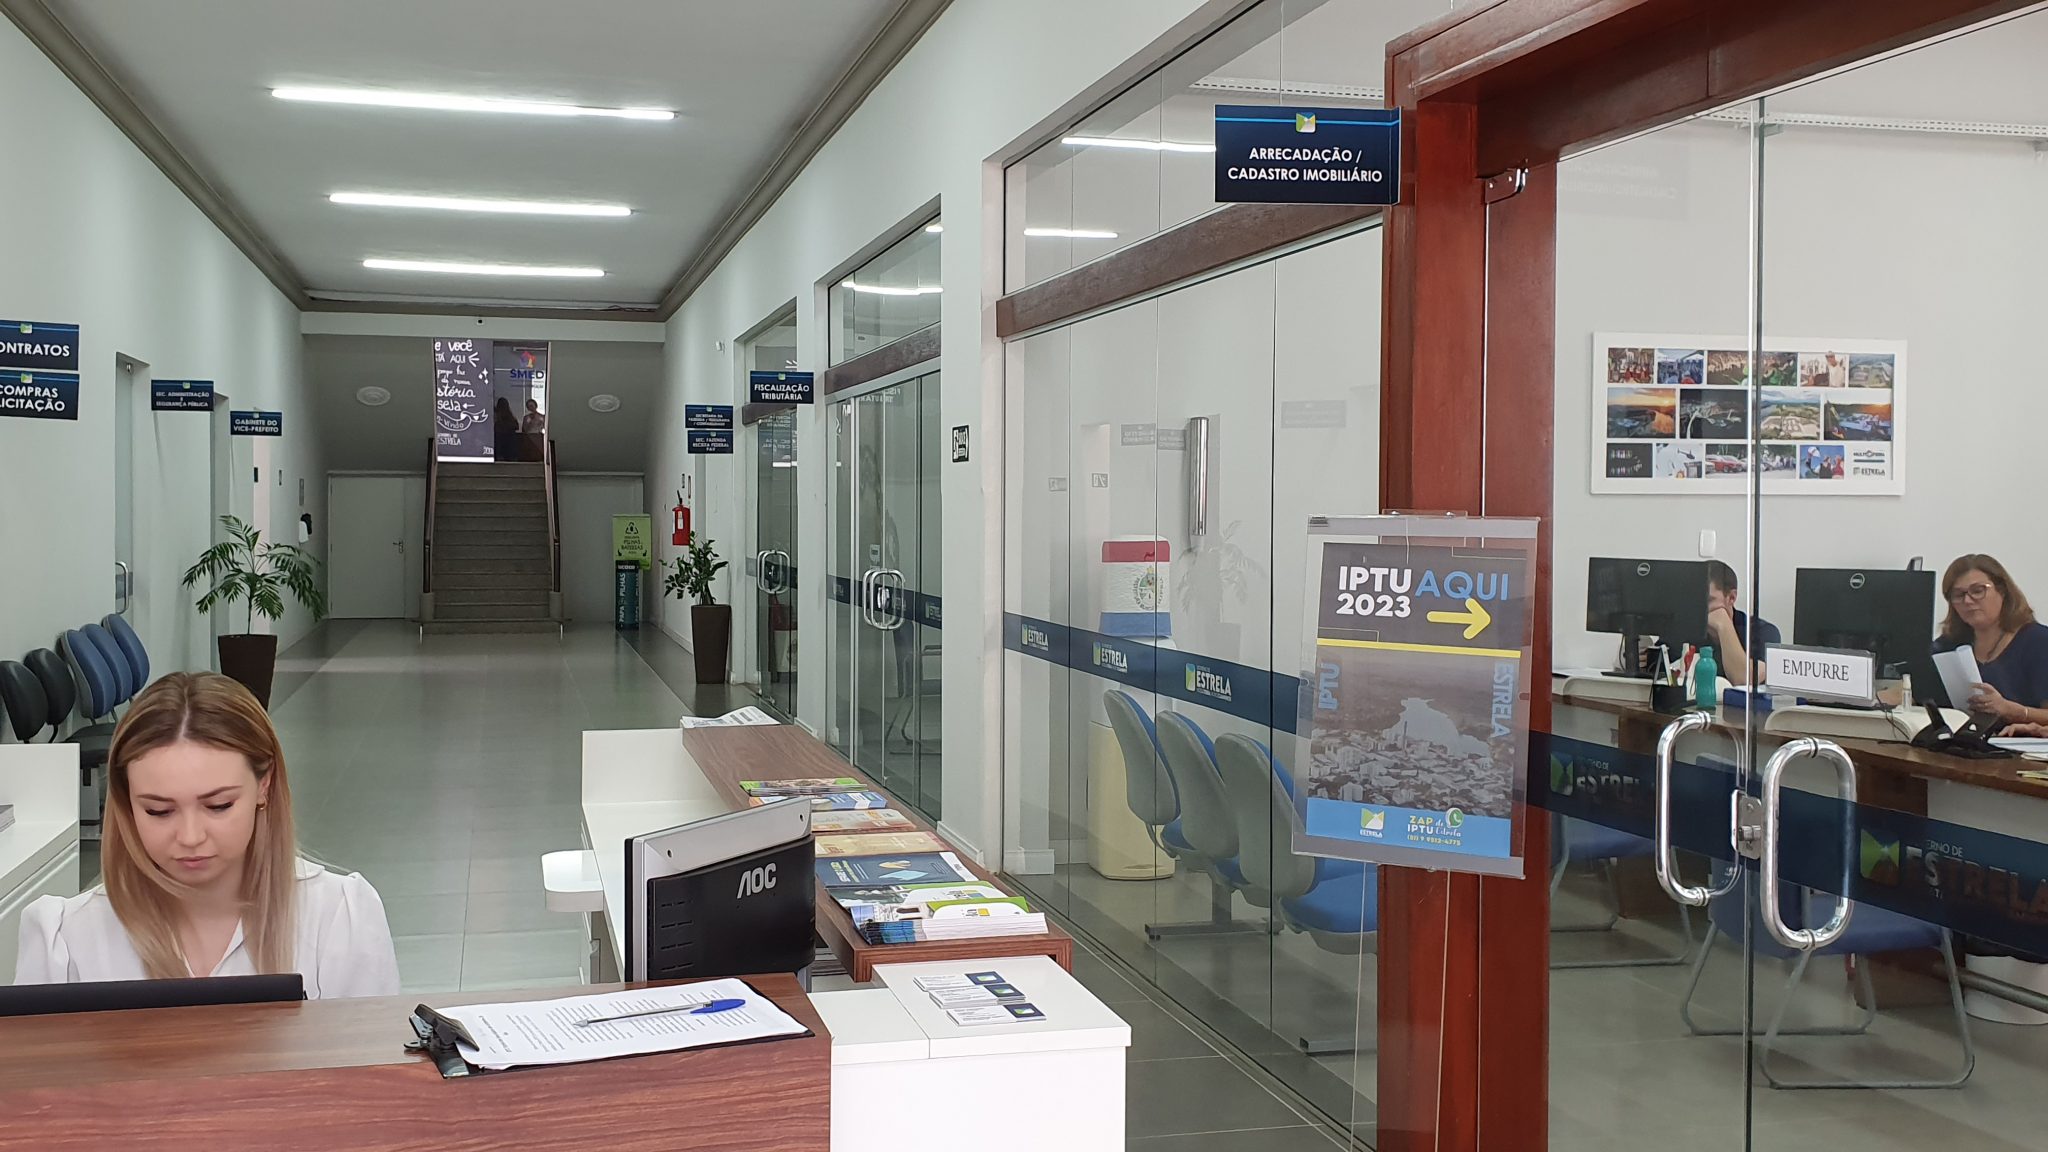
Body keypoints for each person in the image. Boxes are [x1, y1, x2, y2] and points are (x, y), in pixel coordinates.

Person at [14, 672, 399, 997]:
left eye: (218, 805)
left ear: (264, 785)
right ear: (126, 801)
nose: (190, 837)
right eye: (158, 811)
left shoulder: (339, 918)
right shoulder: (66, 940)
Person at [1934, 554, 2048, 727]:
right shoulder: (1948, 645)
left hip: (2018, 742)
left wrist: (2013, 711)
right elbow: (1915, 690)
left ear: (2002, 591)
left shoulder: (2038, 641)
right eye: (1958, 595)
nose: (1967, 600)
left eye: (1978, 591)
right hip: (1961, 740)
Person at [1705, 559, 1777, 686]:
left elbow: (1744, 679)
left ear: (1731, 598)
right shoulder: (1684, 631)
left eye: (1708, 600)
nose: (1700, 608)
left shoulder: (1762, 631)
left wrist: (1723, 625)